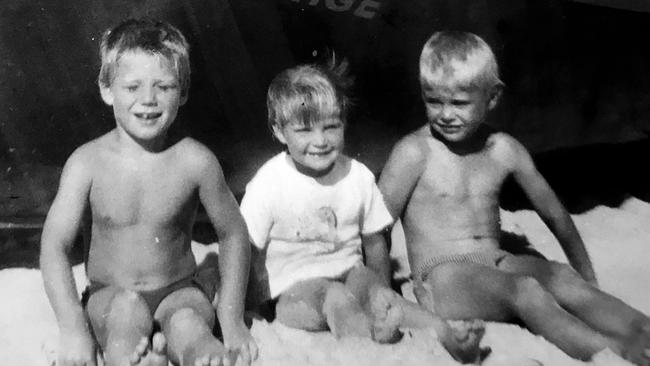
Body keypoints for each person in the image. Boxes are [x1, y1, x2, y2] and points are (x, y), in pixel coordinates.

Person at [378, 30, 650, 365]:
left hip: (497, 260)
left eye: (460, 102)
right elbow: (375, 228)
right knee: (526, 291)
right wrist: (382, 293)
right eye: (434, 101)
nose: (446, 114)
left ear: (492, 97)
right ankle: (615, 352)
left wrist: (589, 282)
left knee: (562, 277)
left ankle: (642, 330)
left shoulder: (504, 149)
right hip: (441, 276)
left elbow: (556, 216)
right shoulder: (414, 152)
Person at [40, 18, 257, 366]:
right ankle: (135, 356)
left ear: (183, 92)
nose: (148, 99)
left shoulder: (195, 160)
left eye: (164, 86)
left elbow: (233, 233)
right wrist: (72, 329)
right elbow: (54, 245)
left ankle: (199, 353)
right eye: (132, 87)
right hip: (110, 294)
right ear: (107, 89)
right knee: (124, 321)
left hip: (179, 290)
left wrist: (230, 320)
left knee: (190, 327)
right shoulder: (86, 163)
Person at [240, 60, 486, 364]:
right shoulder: (269, 183)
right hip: (295, 292)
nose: (320, 141)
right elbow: (249, 250)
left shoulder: (356, 176)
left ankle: (448, 334)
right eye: (304, 130)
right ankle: (370, 345)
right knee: (334, 297)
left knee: (374, 291)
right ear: (279, 131)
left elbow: (374, 243)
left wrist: (381, 291)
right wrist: (255, 304)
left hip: (349, 271)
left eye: (331, 126)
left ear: (344, 122)